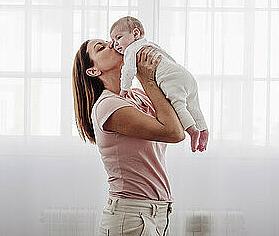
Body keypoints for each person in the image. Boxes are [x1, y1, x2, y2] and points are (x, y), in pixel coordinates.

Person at [73, 40, 183, 236]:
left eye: (110, 41)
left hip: (158, 213)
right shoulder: (108, 105)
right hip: (131, 217)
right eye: (101, 47)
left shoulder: (138, 95)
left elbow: (179, 120)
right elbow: (174, 133)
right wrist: (147, 79)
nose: (112, 44)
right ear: (93, 71)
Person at [110, 16, 209, 152]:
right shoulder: (149, 44)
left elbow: (128, 70)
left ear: (135, 33)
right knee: (193, 105)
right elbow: (167, 55)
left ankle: (192, 131)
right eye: (113, 40)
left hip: (170, 78)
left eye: (118, 37)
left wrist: (124, 89)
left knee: (178, 105)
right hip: (183, 73)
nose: (115, 44)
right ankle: (203, 130)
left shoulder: (131, 50)